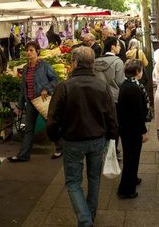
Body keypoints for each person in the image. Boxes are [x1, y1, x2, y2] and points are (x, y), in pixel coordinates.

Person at [47, 46, 118, 227]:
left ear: (75, 63)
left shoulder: (65, 86)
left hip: (72, 141)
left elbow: (53, 117)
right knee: (94, 178)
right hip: (97, 140)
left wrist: (56, 138)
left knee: (73, 182)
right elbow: (111, 115)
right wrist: (112, 137)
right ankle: (89, 216)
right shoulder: (102, 86)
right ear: (92, 63)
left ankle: (85, 220)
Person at [9, 41, 58, 162]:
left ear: (37, 52)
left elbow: (55, 80)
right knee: (28, 129)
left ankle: (61, 147)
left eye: (31, 50)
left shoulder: (44, 65)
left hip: (42, 101)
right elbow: (23, 88)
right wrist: (21, 105)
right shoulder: (25, 68)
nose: (28, 53)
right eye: (27, 50)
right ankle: (23, 155)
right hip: (30, 102)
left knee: (51, 125)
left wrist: (47, 89)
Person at [117, 59, 151, 199]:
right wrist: (143, 131)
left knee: (131, 156)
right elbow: (136, 113)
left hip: (127, 128)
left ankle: (132, 179)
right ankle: (126, 189)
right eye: (141, 70)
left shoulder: (129, 84)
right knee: (131, 157)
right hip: (131, 129)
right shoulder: (132, 88)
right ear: (138, 72)